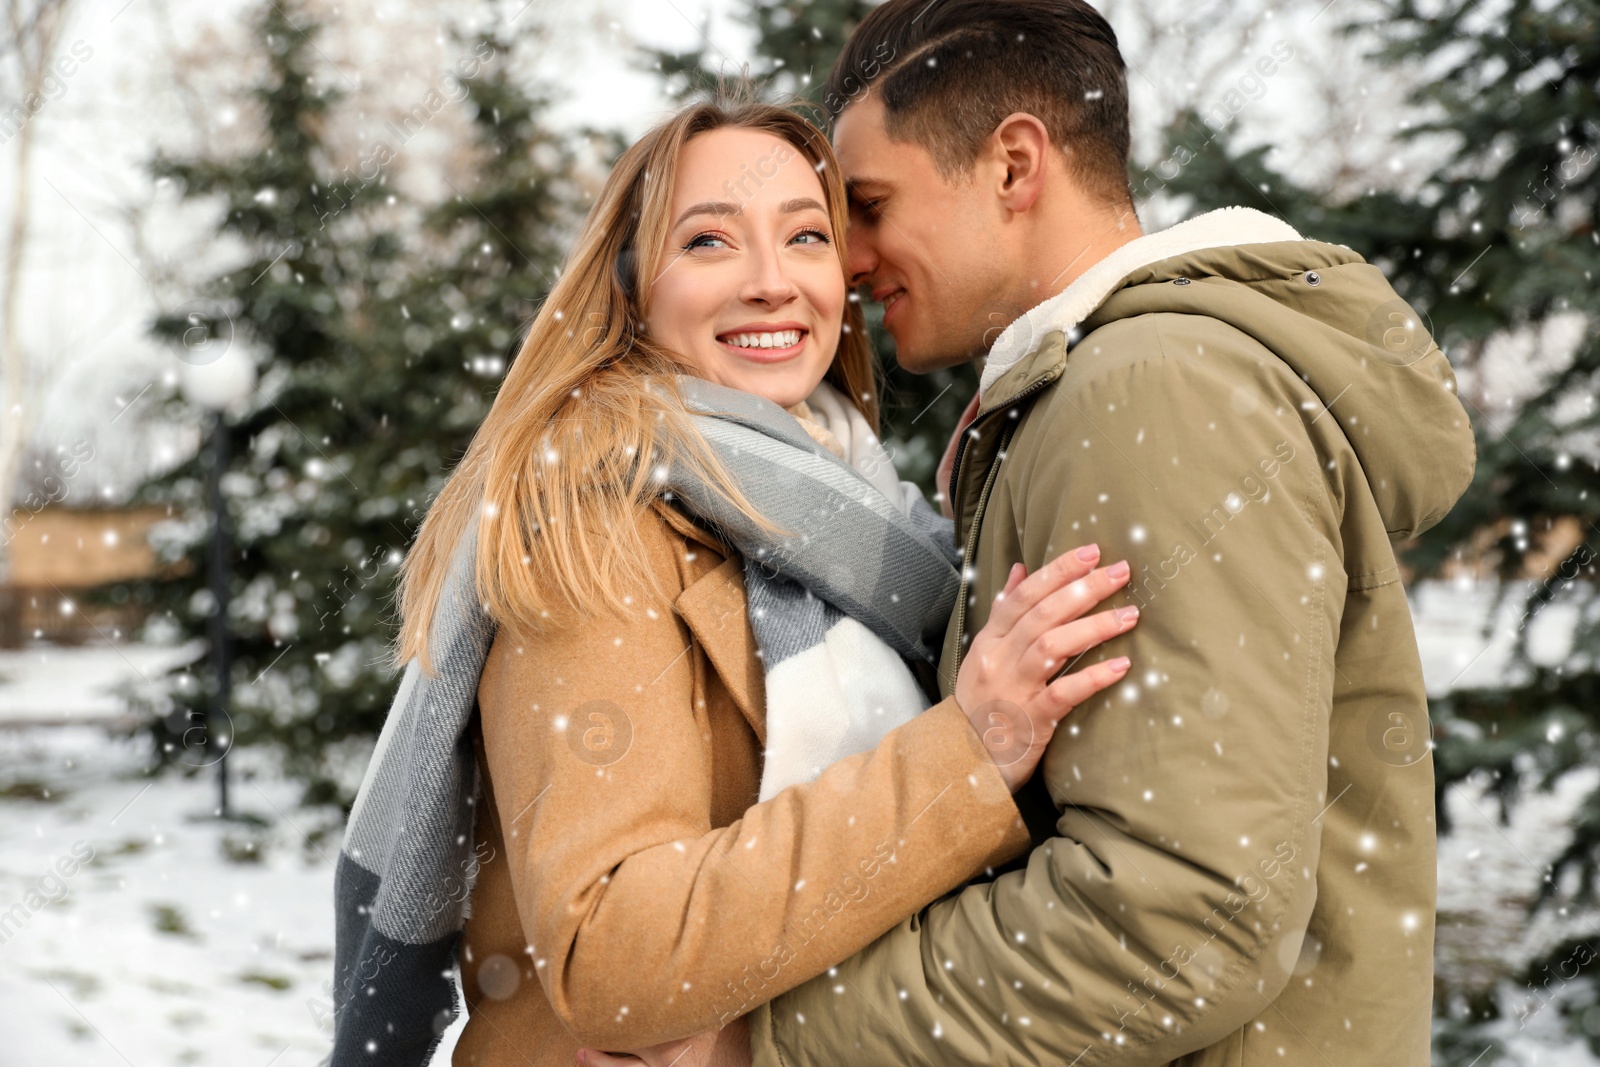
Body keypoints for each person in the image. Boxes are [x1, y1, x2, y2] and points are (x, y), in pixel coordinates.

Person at [578, 2, 1476, 1066]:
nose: (849, 262)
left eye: (866, 205)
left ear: (1013, 166)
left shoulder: (1152, 389)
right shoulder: (1099, 390)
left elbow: (1179, 918)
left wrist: (771, 1040)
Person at [343, 96, 1142, 1067]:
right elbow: (612, 950)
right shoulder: (595, 525)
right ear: (631, 287)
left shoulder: (863, 523)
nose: (772, 282)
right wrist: (961, 756)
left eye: (806, 235)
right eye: (710, 241)